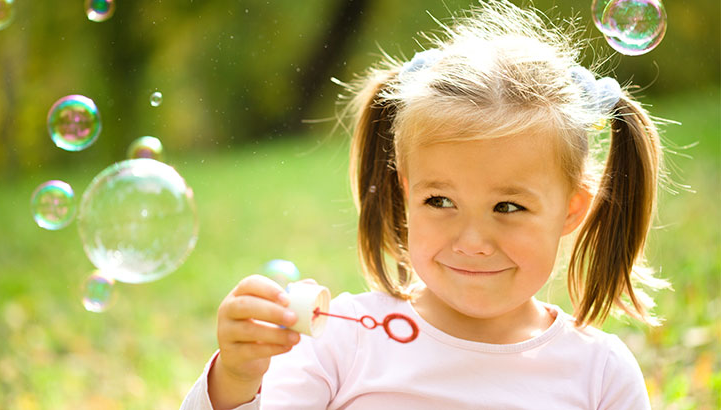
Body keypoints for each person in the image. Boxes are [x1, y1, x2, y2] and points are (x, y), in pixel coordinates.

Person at [181, 1, 670, 408]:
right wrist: (237, 380)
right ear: (405, 194)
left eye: (508, 207)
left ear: (571, 210)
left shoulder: (600, 374)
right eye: (440, 200)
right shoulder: (342, 341)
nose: (473, 242)